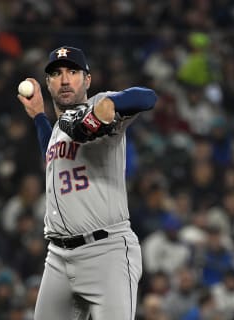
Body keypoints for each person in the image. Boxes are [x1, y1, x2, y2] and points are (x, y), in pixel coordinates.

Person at [18, 45, 158, 320]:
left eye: (73, 72)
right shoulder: (60, 128)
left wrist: (110, 106)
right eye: (56, 74)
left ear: (88, 80)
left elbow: (147, 97)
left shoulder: (99, 102)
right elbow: (54, 152)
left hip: (106, 252)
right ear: (48, 83)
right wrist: (38, 117)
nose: (65, 79)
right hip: (58, 257)